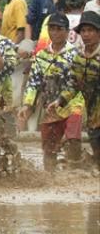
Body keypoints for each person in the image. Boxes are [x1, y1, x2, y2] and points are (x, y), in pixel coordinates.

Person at [18, 13, 83, 172]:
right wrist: (27, 105)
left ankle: (76, 174)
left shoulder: (75, 56)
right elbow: (33, 83)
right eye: (52, 29)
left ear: (67, 32)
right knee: (49, 147)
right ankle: (50, 179)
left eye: (59, 29)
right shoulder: (41, 56)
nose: (55, 32)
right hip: (50, 107)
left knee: (73, 140)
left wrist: (61, 100)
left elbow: (75, 84)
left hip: (73, 105)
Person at [52, 10, 100, 171]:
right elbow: (73, 84)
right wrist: (60, 100)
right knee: (97, 147)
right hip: (93, 113)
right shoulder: (79, 59)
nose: (86, 35)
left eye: (90, 30)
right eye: (83, 31)